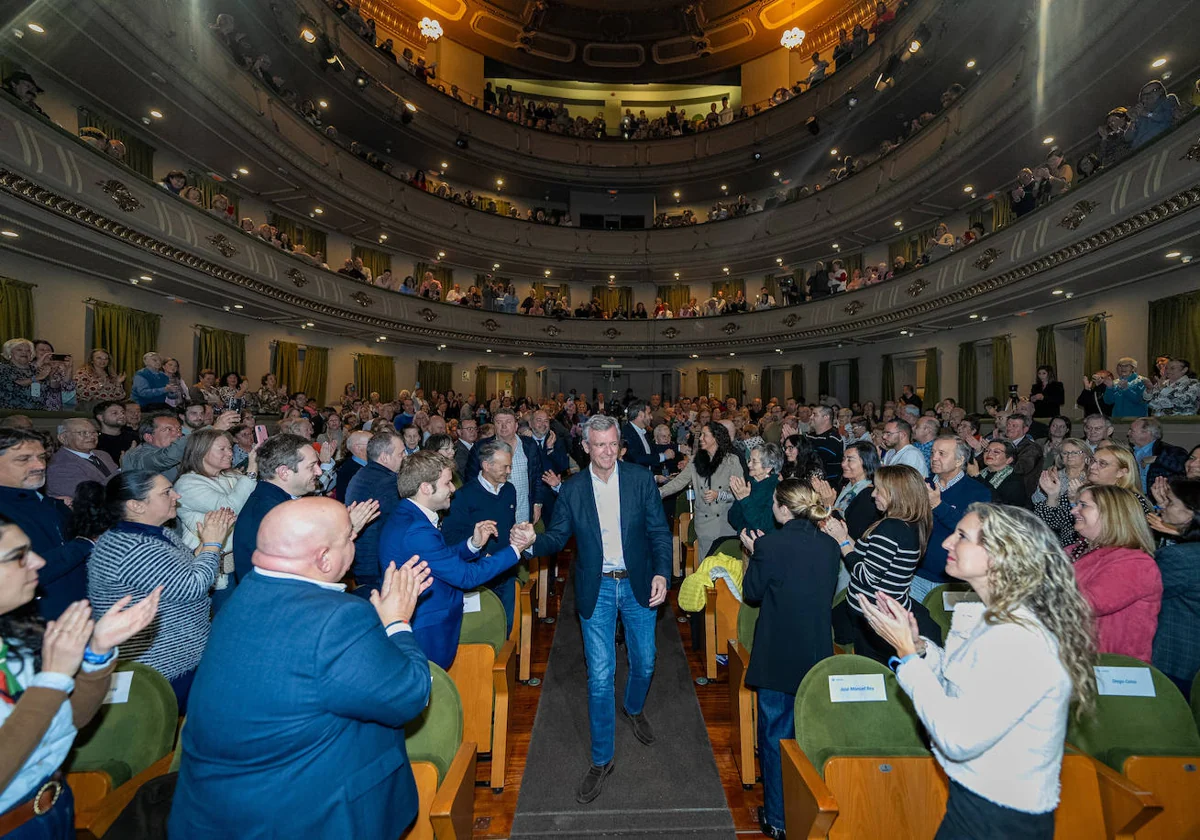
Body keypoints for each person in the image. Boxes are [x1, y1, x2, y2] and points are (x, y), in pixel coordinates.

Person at [168, 500, 434, 839]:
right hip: (305, 818)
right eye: (349, 539)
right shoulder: (338, 619)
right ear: (324, 559)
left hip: (212, 814)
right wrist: (397, 621)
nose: (354, 543)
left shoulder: (240, 598)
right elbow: (410, 695)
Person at [858, 504, 1097, 839]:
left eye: (962, 537)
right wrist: (921, 648)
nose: (946, 544)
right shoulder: (997, 618)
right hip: (975, 803)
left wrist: (908, 656)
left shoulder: (1019, 638)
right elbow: (962, 688)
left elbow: (957, 738)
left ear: (1001, 554)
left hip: (1002, 818)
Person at [523, 415, 670, 803]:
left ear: (619, 444)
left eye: (612, 444)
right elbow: (556, 535)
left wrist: (662, 574)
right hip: (597, 588)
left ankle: (633, 708)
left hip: (638, 583)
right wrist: (528, 542)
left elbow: (658, 531)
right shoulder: (572, 489)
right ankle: (602, 758)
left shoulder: (639, 480)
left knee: (646, 662)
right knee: (601, 676)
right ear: (585, 446)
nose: (606, 452)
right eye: (598, 444)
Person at [0, 512, 160, 838]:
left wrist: (97, 654)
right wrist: (53, 678)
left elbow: (70, 720)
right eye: (17, 557)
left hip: (52, 805)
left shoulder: (13, 639)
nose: (38, 562)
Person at [78, 471, 233, 711]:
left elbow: (177, 573)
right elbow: (192, 587)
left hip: (178, 654)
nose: (176, 495)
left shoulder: (153, 534)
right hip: (162, 664)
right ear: (136, 505)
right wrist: (212, 545)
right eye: (166, 492)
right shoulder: (133, 547)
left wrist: (202, 550)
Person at [738, 480, 841, 840]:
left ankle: (778, 818)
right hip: (815, 653)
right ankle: (809, 811)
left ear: (782, 509)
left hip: (778, 653)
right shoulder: (830, 546)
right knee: (809, 738)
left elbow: (752, 594)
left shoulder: (770, 544)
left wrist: (753, 553)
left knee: (774, 737)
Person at [377, 451, 529, 669]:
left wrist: (473, 545)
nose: (453, 488)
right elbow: (466, 577)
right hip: (427, 629)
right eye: (447, 483)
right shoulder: (416, 530)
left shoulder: (408, 515)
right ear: (426, 488)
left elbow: (439, 559)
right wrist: (516, 549)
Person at [821, 465, 934, 664]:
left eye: (879, 490)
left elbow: (866, 575)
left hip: (876, 616)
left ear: (895, 494)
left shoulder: (891, 527)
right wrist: (844, 534)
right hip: (883, 613)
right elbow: (869, 556)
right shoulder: (907, 522)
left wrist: (842, 542)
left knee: (875, 671)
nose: (873, 495)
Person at [0, 429, 93, 619]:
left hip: (75, 615)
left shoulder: (48, 503)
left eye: (41, 457)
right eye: (23, 459)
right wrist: (85, 543)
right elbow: (27, 570)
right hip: (33, 625)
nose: (39, 465)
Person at [1068, 484, 1160, 661]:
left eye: (1083, 505)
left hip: (1111, 672)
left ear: (1111, 513)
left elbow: (1085, 604)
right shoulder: (1075, 550)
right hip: (1077, 662)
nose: (1074, 511)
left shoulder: (1136, 563)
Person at [442, 438, 523, 632]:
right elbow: (450, 537)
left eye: (510, 466)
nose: (509, 471)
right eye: (505, 467)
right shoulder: (463, 496)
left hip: (507, 572)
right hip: (479, 577)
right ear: (486, 465)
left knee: (509, 628)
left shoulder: (510, 491)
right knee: (486, 629)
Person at [172, 429, 258, 611]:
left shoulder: (229, 476)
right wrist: (250, 473)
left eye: (230, 448)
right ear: (201, 451)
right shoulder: (187, 484)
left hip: (239, 564)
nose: (230, 453)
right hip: (214, 573)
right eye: (222, 449)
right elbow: (229, 507)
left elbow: (253, 502)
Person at [231, 434, 325, 584]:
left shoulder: (275, 501)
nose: (319, 472)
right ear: (284, 472)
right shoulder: (273, 514)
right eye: (311, 466)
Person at [914, 437, 993, 604]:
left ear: (959, 460)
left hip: (955, 582)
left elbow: (972, 532)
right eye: (933, 452)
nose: (934, 457)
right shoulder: (922, 485)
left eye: (942, 454)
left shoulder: (978, 492)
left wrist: (937, 505)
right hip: (917, 575)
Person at [1035, 443, 1150, 547]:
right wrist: (1052, 496)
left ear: (1121, 472)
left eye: (1102, 464)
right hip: (1072, 556)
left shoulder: (1132, 500)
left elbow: (1118, 537)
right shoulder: (1085, 491)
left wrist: (1074, 502)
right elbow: (1050, 523)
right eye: (1093, 461)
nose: (1093, 467)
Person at [658, 422, 741, 560]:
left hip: (726, 524)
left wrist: (719, 495)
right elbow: (679, 482)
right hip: (704, 525)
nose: (700, 438)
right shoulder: (696, 461)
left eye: (704, 435)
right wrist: (658, 493)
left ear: (715, 438)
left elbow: (740, 492)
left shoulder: (732, 461)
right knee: (706, 570)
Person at [1148, 478, 1200, 697]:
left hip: (1176, 661)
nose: (1163, 506)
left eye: (1170, 502)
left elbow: (1145, 588)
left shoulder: (1180, 558)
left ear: (1190, 513)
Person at [345, 430, 406, 593]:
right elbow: (401, 522)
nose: (404, 457)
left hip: (362, 562)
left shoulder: (363, 474)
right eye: (401, 454)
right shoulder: (387, 482)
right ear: (385, 457)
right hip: (377, 566)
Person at [465, 408, 549, 526]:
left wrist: (537, 503)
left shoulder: (529, 445)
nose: (504, 426)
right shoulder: (481, 448)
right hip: (493, 513)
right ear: (494, 426)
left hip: (523, 512)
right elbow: (471, 480)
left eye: (508, 422)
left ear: (516, 426)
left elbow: (538, 476)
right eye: (499, 422)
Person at [44, 419, 118, 500]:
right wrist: (123, 469)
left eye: (94, 432)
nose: (92, 436)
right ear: (63, 438)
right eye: (83, 433)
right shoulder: (58, 465)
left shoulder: (103, 454)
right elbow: (89, 495)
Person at [728, 443, 782, 535]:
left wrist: (744, 500)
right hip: (745, 541)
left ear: (768, 468)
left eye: (754, 461)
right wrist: (740, 497)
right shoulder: (749, 484)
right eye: (749, 460)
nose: (749, 464)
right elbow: (733, 520)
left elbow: (764, 526)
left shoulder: (776, 489)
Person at [621, 401, 674, 471]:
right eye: (649, 413)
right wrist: (663, 456)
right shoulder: (627, 433)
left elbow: (653, 448)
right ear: (640, 415)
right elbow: (637, 458)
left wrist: (678, 448)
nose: (651, 417)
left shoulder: (643, 432)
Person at [806, 406, 844, 485]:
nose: (811, 417)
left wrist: (799, 444)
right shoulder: (810, 436)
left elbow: (817, 460)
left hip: (827, 485)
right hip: (810, 481)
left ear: (826, 417)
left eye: (815, 414)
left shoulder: (833, 438)